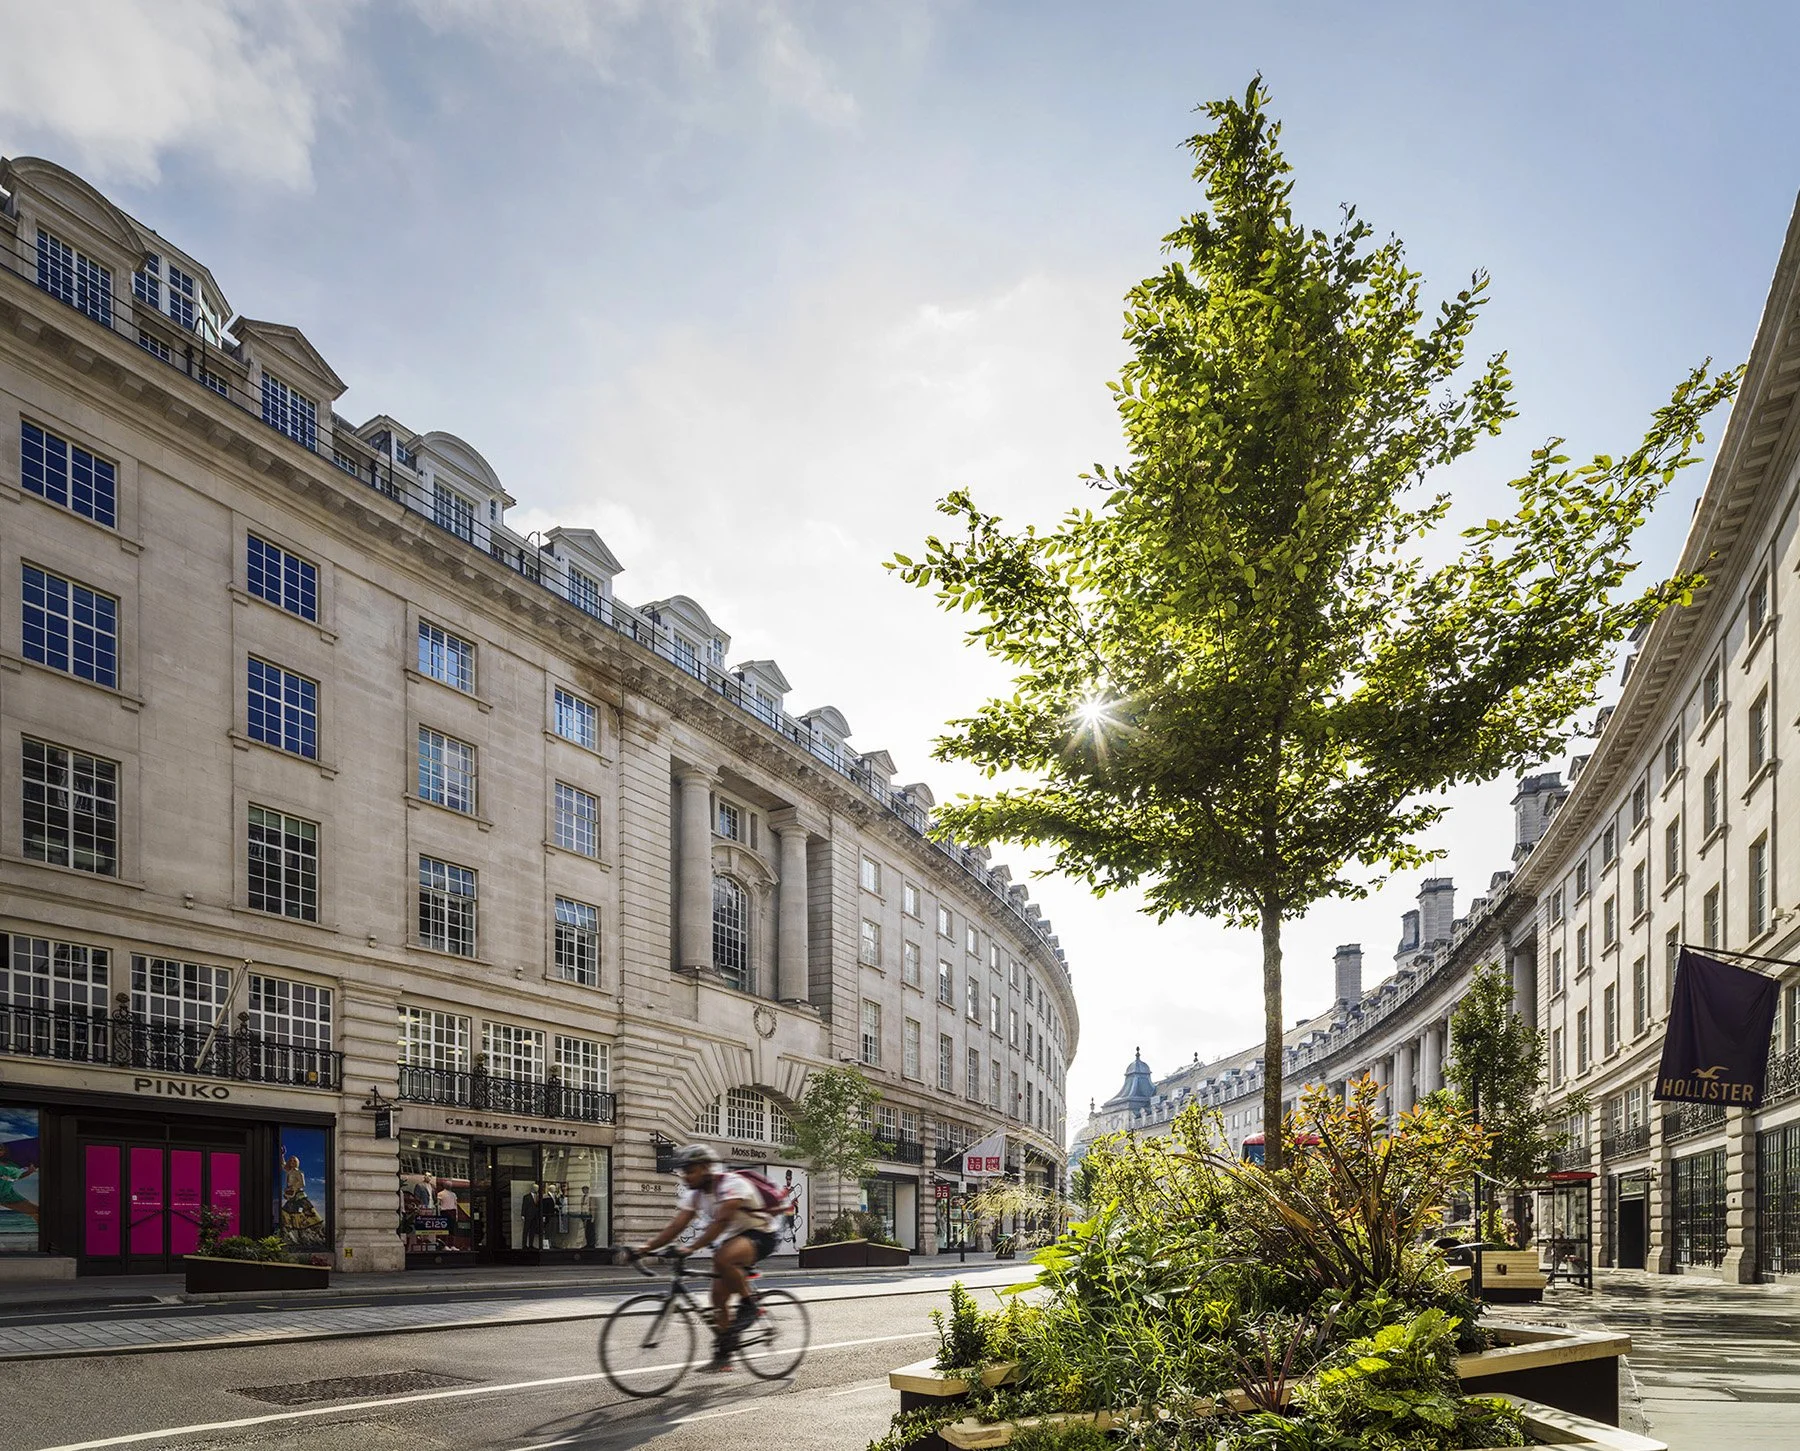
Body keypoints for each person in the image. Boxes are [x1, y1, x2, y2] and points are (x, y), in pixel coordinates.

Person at [636, 1143, 776, 1372]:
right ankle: (724, 1355)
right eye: (683, 1171)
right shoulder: (695, 1195)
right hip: (733, 1239)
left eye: (690, 1170)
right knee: (717, 1299)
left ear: (705, 1168)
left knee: (722, 1258)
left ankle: (750, 1305)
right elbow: (676, 1226)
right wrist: (644, 1248)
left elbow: (721, 1221)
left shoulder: (731, 1184)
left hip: (761, 1234)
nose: (685, 1176)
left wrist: (689, 1249)